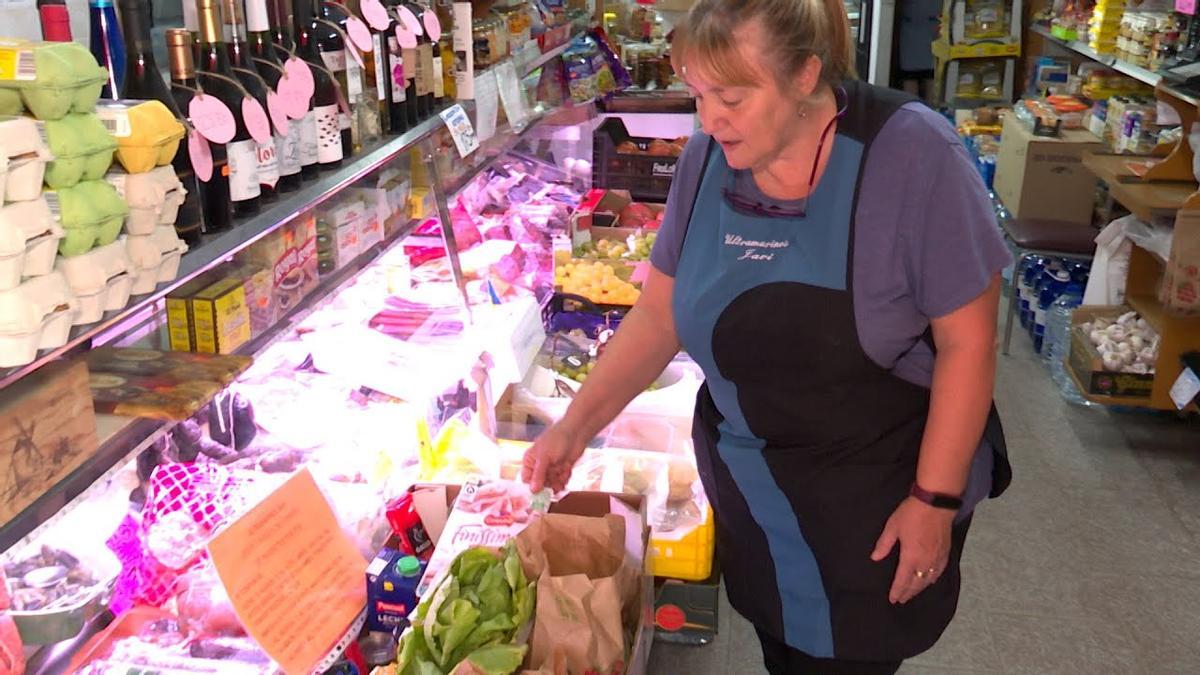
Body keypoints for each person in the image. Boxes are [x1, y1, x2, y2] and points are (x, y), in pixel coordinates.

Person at [522, 0, 1013, 672]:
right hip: (757, 497)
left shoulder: (914, 156)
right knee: (782, 647)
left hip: (873, 504)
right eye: (699, 94)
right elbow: (659, 315)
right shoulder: (707, 160)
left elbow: (969, 344)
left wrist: (934, 501)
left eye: (732, 95)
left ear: (806, 75)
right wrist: (573, 426)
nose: (710, 118)